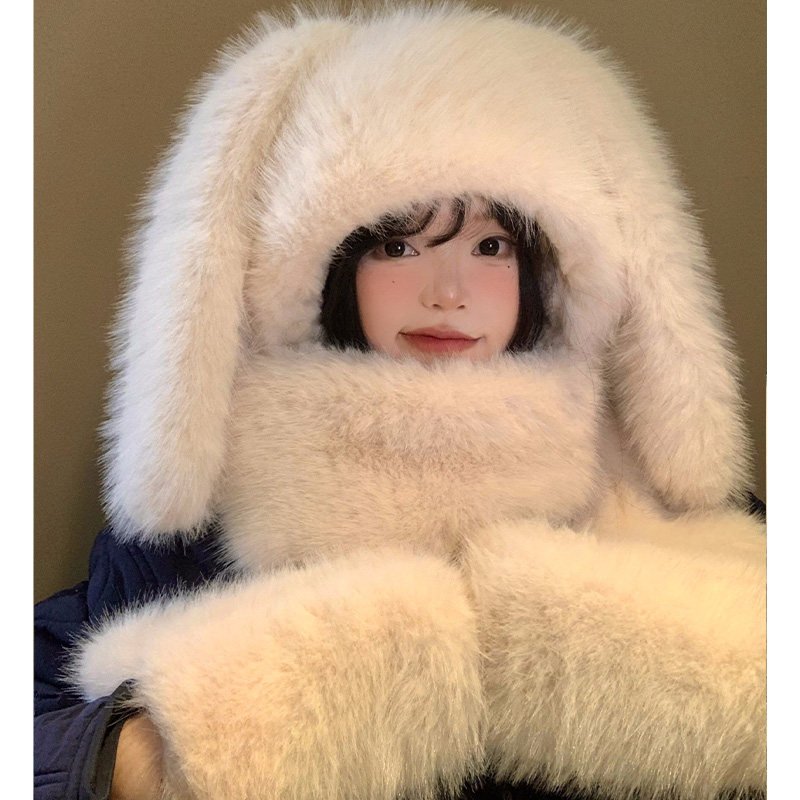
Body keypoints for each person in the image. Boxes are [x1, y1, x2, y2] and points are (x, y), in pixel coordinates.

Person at [34, 5, 766, 800]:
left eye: (491, 246)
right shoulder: (210, 510)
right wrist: (205, 737)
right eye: (398, 245)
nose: (448, 292)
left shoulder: (648, 492)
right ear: (331, 268)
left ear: (548, 273)